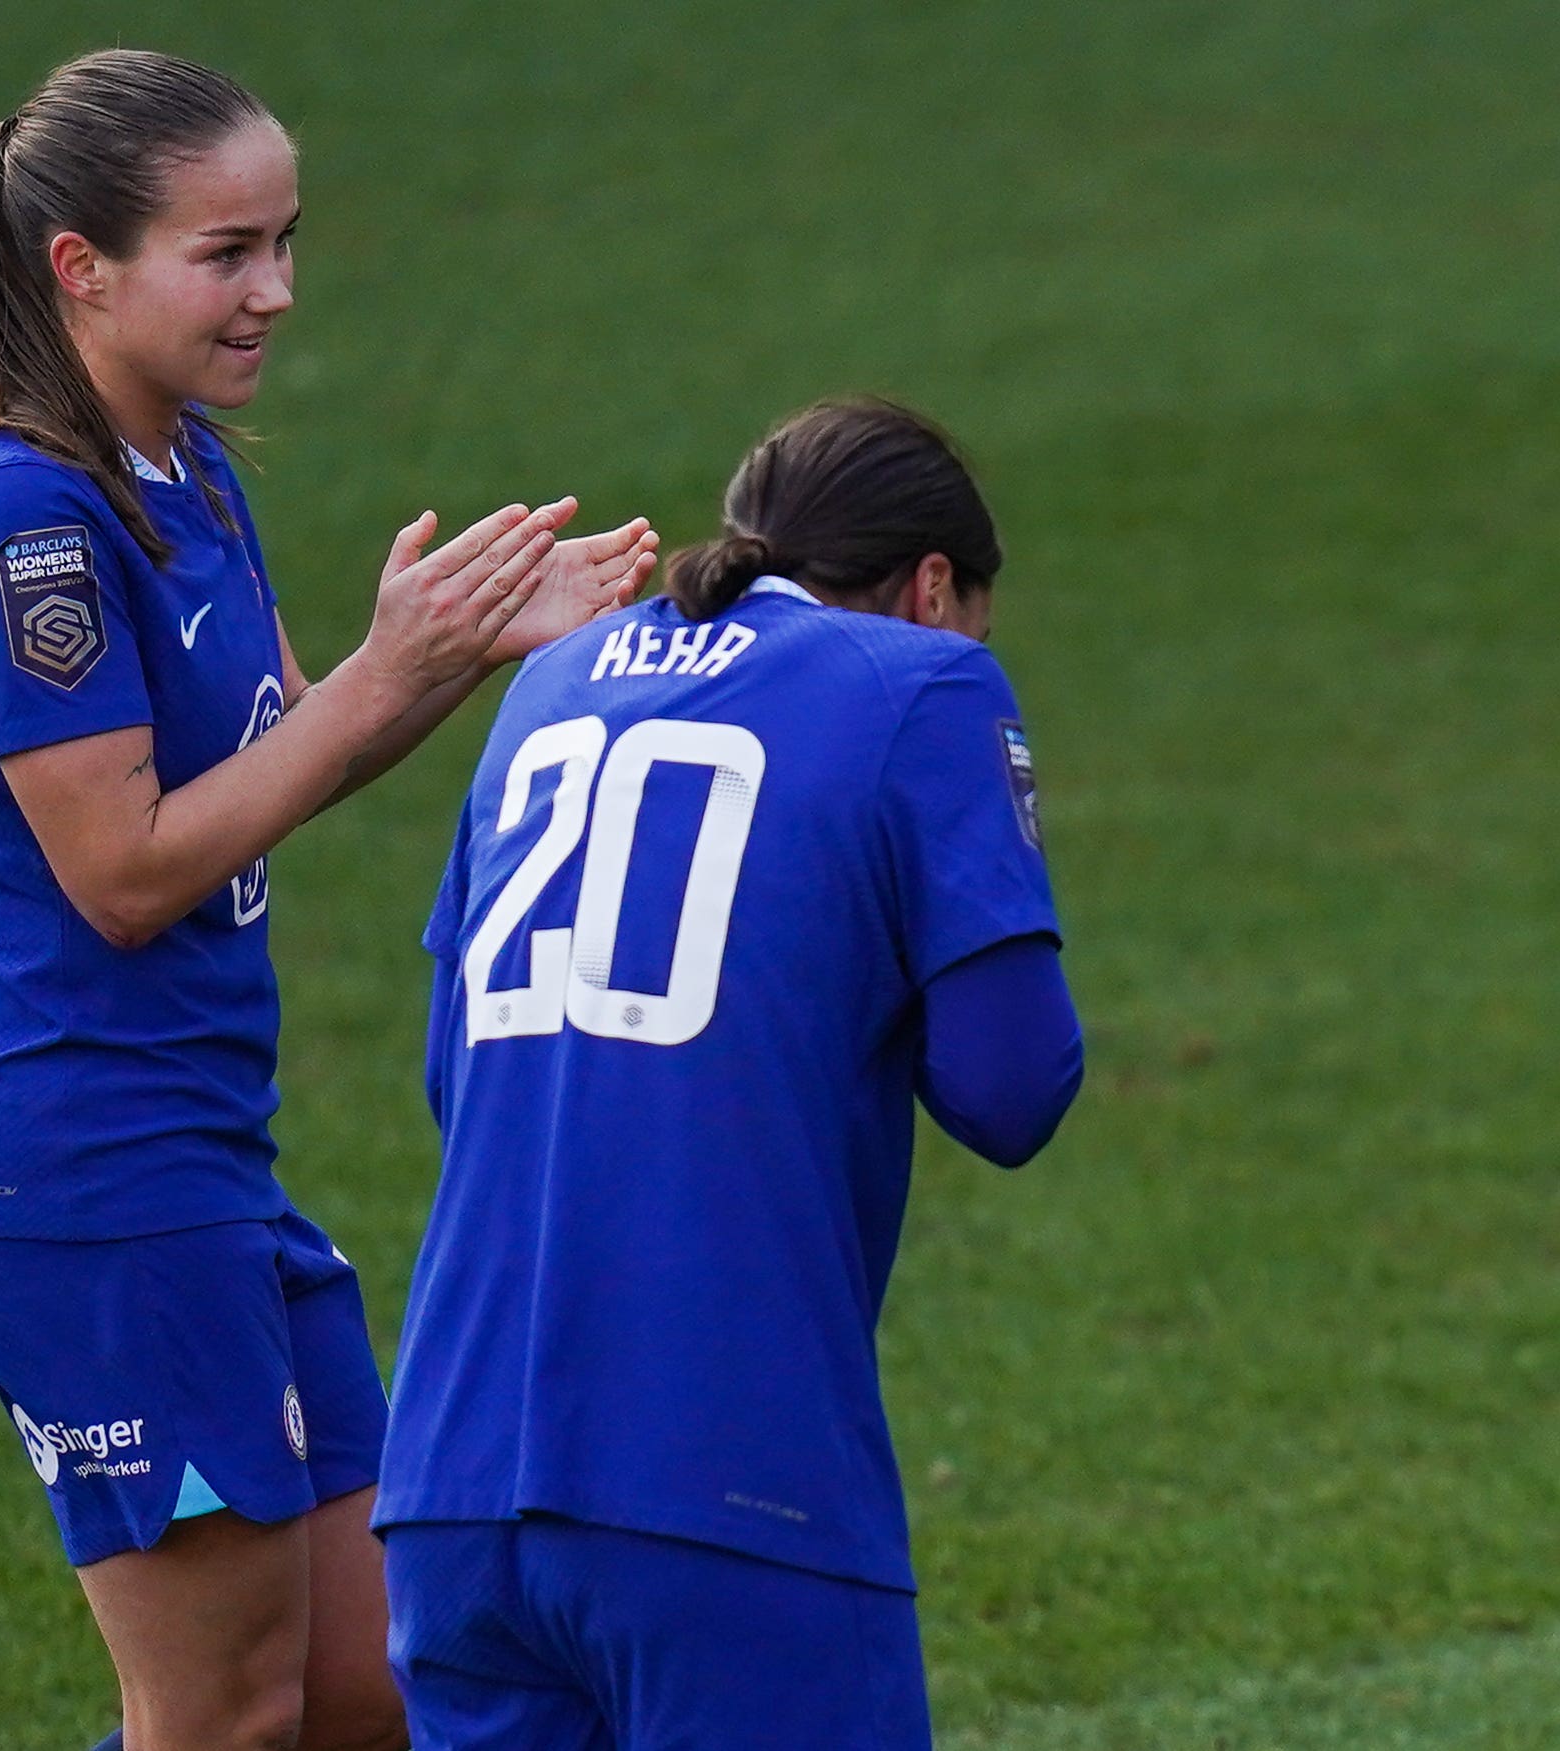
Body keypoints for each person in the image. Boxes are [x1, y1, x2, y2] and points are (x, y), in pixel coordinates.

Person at [0, 50, 656, 1751]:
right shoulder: (20, 520)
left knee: (378, 1694)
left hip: (202, 1161)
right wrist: (398, 667)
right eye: (226, 252)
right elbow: (129, 872)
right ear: (80, 268)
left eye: (284, 240)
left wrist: (454, 657)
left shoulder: (184, 470)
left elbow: (284, 758)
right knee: (227, 1715)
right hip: (87, 1180)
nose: (277, 292)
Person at [373, 398, 1084, 1749]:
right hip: (726, 1484)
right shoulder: (922, 682)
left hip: (451, 1489)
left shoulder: (547, 682)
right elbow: (1012, 1088)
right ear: (934, 588)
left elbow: (449, 1074)